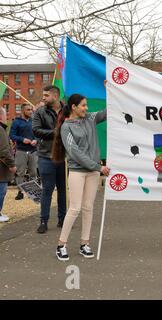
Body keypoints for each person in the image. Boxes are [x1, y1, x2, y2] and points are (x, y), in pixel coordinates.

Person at [52, 94, 109, 261]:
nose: (87, 108)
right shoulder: (66, 127)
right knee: (75, 208)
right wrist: (98, 167)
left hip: (92, 172)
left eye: (86, 105)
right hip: (78, 171)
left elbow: (108, 112)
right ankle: (61, 245)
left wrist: (111, 89)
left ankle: (85, 244)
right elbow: (75, 153)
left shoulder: (90, 118)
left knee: (88, 207)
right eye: (83, 105)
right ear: (74, 107)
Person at [32, 85, 66, 233]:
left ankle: (63, 219)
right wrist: (54, 132)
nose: (43, 98)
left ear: (55, 96)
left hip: (64, 156)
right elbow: (36, 131)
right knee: (47, 189)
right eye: (43, 95)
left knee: (63, 190)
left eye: (46, 95)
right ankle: (43, 221)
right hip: (46, 156)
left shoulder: (67, 111)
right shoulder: (40, 112)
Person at [9, 103, 38, 200]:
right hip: (21, 151)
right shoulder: (16, 122)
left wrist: (35, 140)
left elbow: (38, 133)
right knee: (20, 173)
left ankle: (33, 193)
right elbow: (11, 135)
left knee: (33, 172)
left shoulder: (33, 121)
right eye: (28, 110)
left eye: (31, 109)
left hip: (33, 151)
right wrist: (22, 139)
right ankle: (20, 192)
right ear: (23, 111)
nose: (30, 111)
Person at [0, 108, 17, 222]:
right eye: (6, 115)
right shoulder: (1, 130)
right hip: (1, 169)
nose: (7, 118)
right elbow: (4, 150)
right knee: (1, 191)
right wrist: (12, 165)